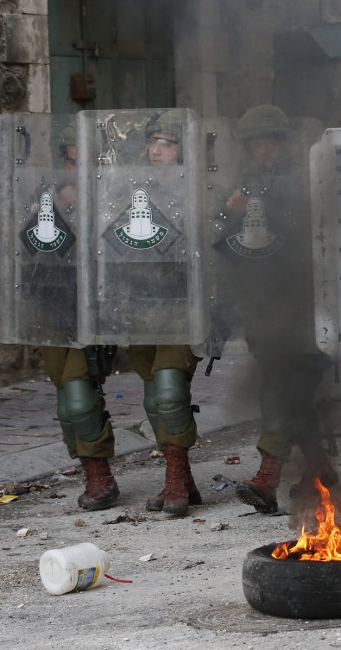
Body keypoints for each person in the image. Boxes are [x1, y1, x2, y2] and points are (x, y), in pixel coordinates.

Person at [221, 105, 337, 514]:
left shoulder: (306, 177)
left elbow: (314, 228)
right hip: (264, 304)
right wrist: (232, 213)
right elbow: (225, 246)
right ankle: (320, 468)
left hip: (306, 301)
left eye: (271, 140)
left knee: (283, 388)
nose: (265, 149)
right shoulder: (243, 183)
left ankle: (268, 473)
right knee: (290, 389)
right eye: (257, 142)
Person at [128, 110, 205, 516]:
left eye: (168, 143)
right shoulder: (131, 188)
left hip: (181, 305)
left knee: (172, 392)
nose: (158, 150)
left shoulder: (198, 189)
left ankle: (175, 480)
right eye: (153, 143)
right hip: (140, 305)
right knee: (153, 398)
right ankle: (182, 478)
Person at [41, 121, 120, 511]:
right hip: (54, 309)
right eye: (71, 162)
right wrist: (59, 209)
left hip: (95, 307)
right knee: (65, 400)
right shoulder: (45, 198)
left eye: (85, 162)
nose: (78, 170)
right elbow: (29, 245)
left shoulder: (112, 196)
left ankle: (100, 477)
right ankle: (90, 465)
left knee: (77, 394)